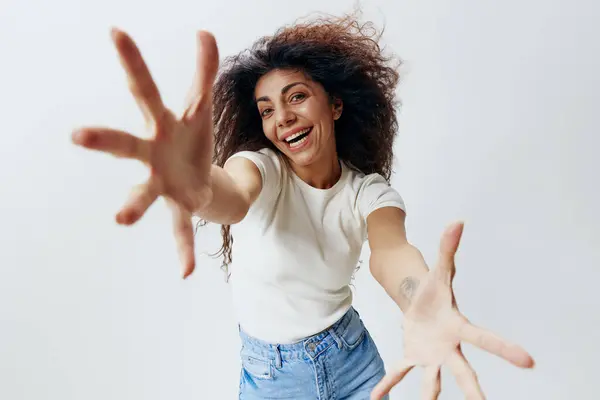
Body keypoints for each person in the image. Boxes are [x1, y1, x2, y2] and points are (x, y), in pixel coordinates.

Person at [71, 13, 534, 400]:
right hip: (270, 380)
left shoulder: (366, 192)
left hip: (354, 364)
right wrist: (194, 184)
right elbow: (230, 197)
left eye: (296, 97)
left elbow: (391, 252)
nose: (283, 117)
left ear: (334, 105)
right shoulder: (261, 169)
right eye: (266, 109)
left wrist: (419, 302)